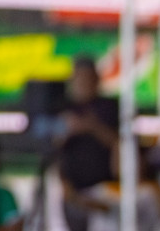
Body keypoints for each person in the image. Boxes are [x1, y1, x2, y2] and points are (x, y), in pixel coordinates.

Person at [58, 56, 119, 231]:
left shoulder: (108, 107)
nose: (83, 83)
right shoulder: (64, 108)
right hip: (72, 192)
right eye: (80, 78)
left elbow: (117, 142)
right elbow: (53, 150)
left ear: (96, 79)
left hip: (105, 190)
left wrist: (90, 126)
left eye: (88, 77)